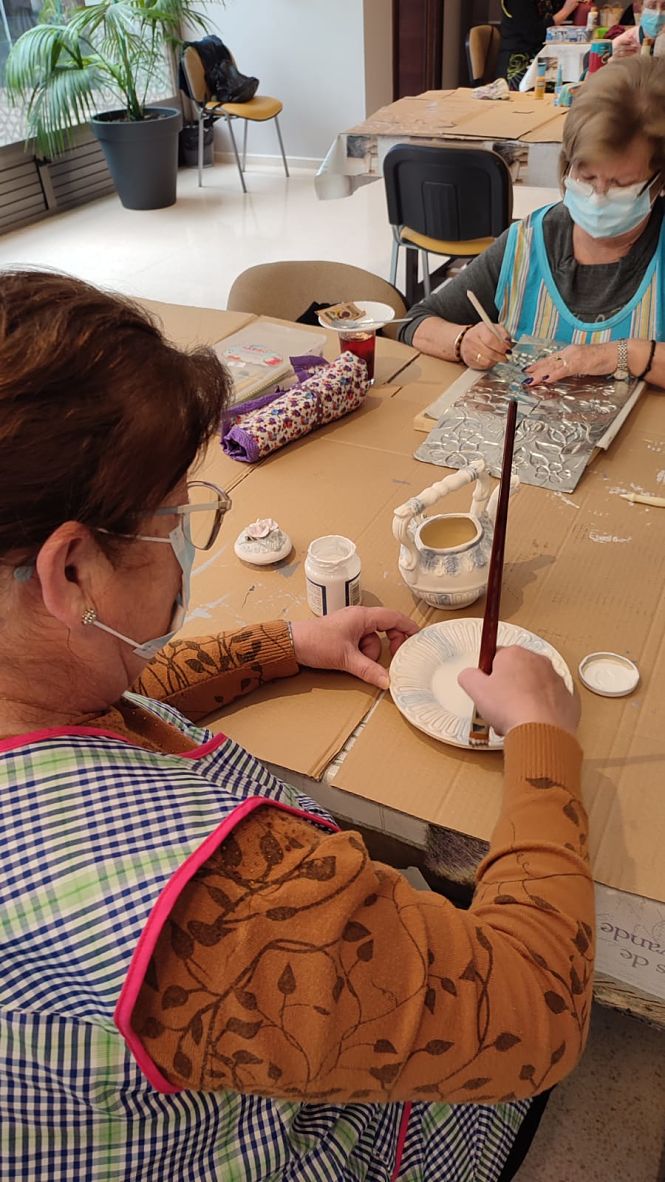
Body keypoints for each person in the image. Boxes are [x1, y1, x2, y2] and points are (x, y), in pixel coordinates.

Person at [0, 270, 594, 1181]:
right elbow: (533, 1011)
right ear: (71, 574)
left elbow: (117, 698)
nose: (185, 541)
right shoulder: (220, 913)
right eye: (174, 519)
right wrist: (542, 743)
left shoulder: (33, 677)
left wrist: (283, 642)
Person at [400, 56, 665, 392]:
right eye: (586, 175)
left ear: (658, 182)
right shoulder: (528, 242)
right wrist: (462, 340)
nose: (598, 196)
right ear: (567, 164)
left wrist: (621, 355)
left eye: (622, 184)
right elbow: (413, 321)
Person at [497, 0, 582, 90]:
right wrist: (565, 11)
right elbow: (533, 34)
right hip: (520, 60)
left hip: (543, 56)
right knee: (565, 89)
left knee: (574, 82)